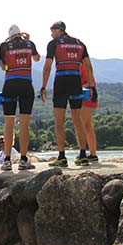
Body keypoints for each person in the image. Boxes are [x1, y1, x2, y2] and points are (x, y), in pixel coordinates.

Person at [39, 21, 97, 167]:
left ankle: (62, 156)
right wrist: (91, 86)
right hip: (76, 81)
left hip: (61, 81)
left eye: (52, 30)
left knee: (59, 122)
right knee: (77, 120)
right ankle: (83, 155)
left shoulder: (54, 43)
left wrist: (43, 87)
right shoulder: (79, 43)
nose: (51, 34)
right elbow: (89, 67)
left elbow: (47, 67)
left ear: (58, 30)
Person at [0, 25, 40, 171]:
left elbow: (3, 67)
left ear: (9, 36)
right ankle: (23, 159)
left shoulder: (4, 46)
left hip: (9, 85)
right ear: (21, 34)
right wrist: (29, 41)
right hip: (26, 85)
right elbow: (37, 58)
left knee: (9, 124)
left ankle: (7, 161)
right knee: (24, 125)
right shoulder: (29, 44)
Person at [76, 62, 99, 162]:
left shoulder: (82, 66)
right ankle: (93, 154)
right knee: (88, 126)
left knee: (80, 125)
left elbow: (89, 83)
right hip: (88, 95)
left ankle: (83, 152)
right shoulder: (85, 65)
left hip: (84, 96)